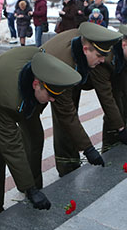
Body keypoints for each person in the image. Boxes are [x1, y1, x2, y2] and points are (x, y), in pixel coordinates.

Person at [0, 49, 81, 224]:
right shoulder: (9, 99)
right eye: (50, 95)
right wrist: (30, 189)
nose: (52, 100)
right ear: (35, 84)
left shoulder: (38, 64)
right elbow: (12, 145)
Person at [42, 22, 122, 176]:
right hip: (38, 83)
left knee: (69, 120)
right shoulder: (64, 66)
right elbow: (67, 115)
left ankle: (71, 163)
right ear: (86, 50)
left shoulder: (81, 48)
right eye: (99, 56)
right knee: (47, 131)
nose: (102, 61)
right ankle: (63, 170)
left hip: (60, 74)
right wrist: (88, 149)